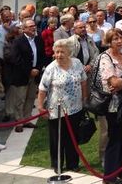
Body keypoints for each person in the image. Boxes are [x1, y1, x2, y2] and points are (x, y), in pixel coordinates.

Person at [37, 39, 87, 172]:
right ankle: (57, 164)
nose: (59, 55)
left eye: (62, 52)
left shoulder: (77, 63)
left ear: (69, 52)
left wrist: (84, 98)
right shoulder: (51, 68)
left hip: (76, 108)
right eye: (57, 52)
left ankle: (73, 164)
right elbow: (42, 89)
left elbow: (83, 81)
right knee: (57, 139)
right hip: (56, 110)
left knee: (73, 138)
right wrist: (41, 107)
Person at [98, 28, 122, 183]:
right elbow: (113, 83)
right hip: (113, 106)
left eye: (120, 37)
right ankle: (110, 177)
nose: (119, 41)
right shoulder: (105, 57)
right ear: (109, 41)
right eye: (115, 39)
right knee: (115, 139)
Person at [9, 19, 47, 132]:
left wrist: (37, 69)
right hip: (22, 75)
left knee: (30, 98)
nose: (33, 28)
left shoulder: (39, 39)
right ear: (24, 29)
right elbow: (16, 59)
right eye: (30, 26)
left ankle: (27, 119)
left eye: (34, 26)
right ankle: (19, 121)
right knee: (20, 99)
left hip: (35, 74)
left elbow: (42, 56)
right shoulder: (18, 41)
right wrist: (29, 70)